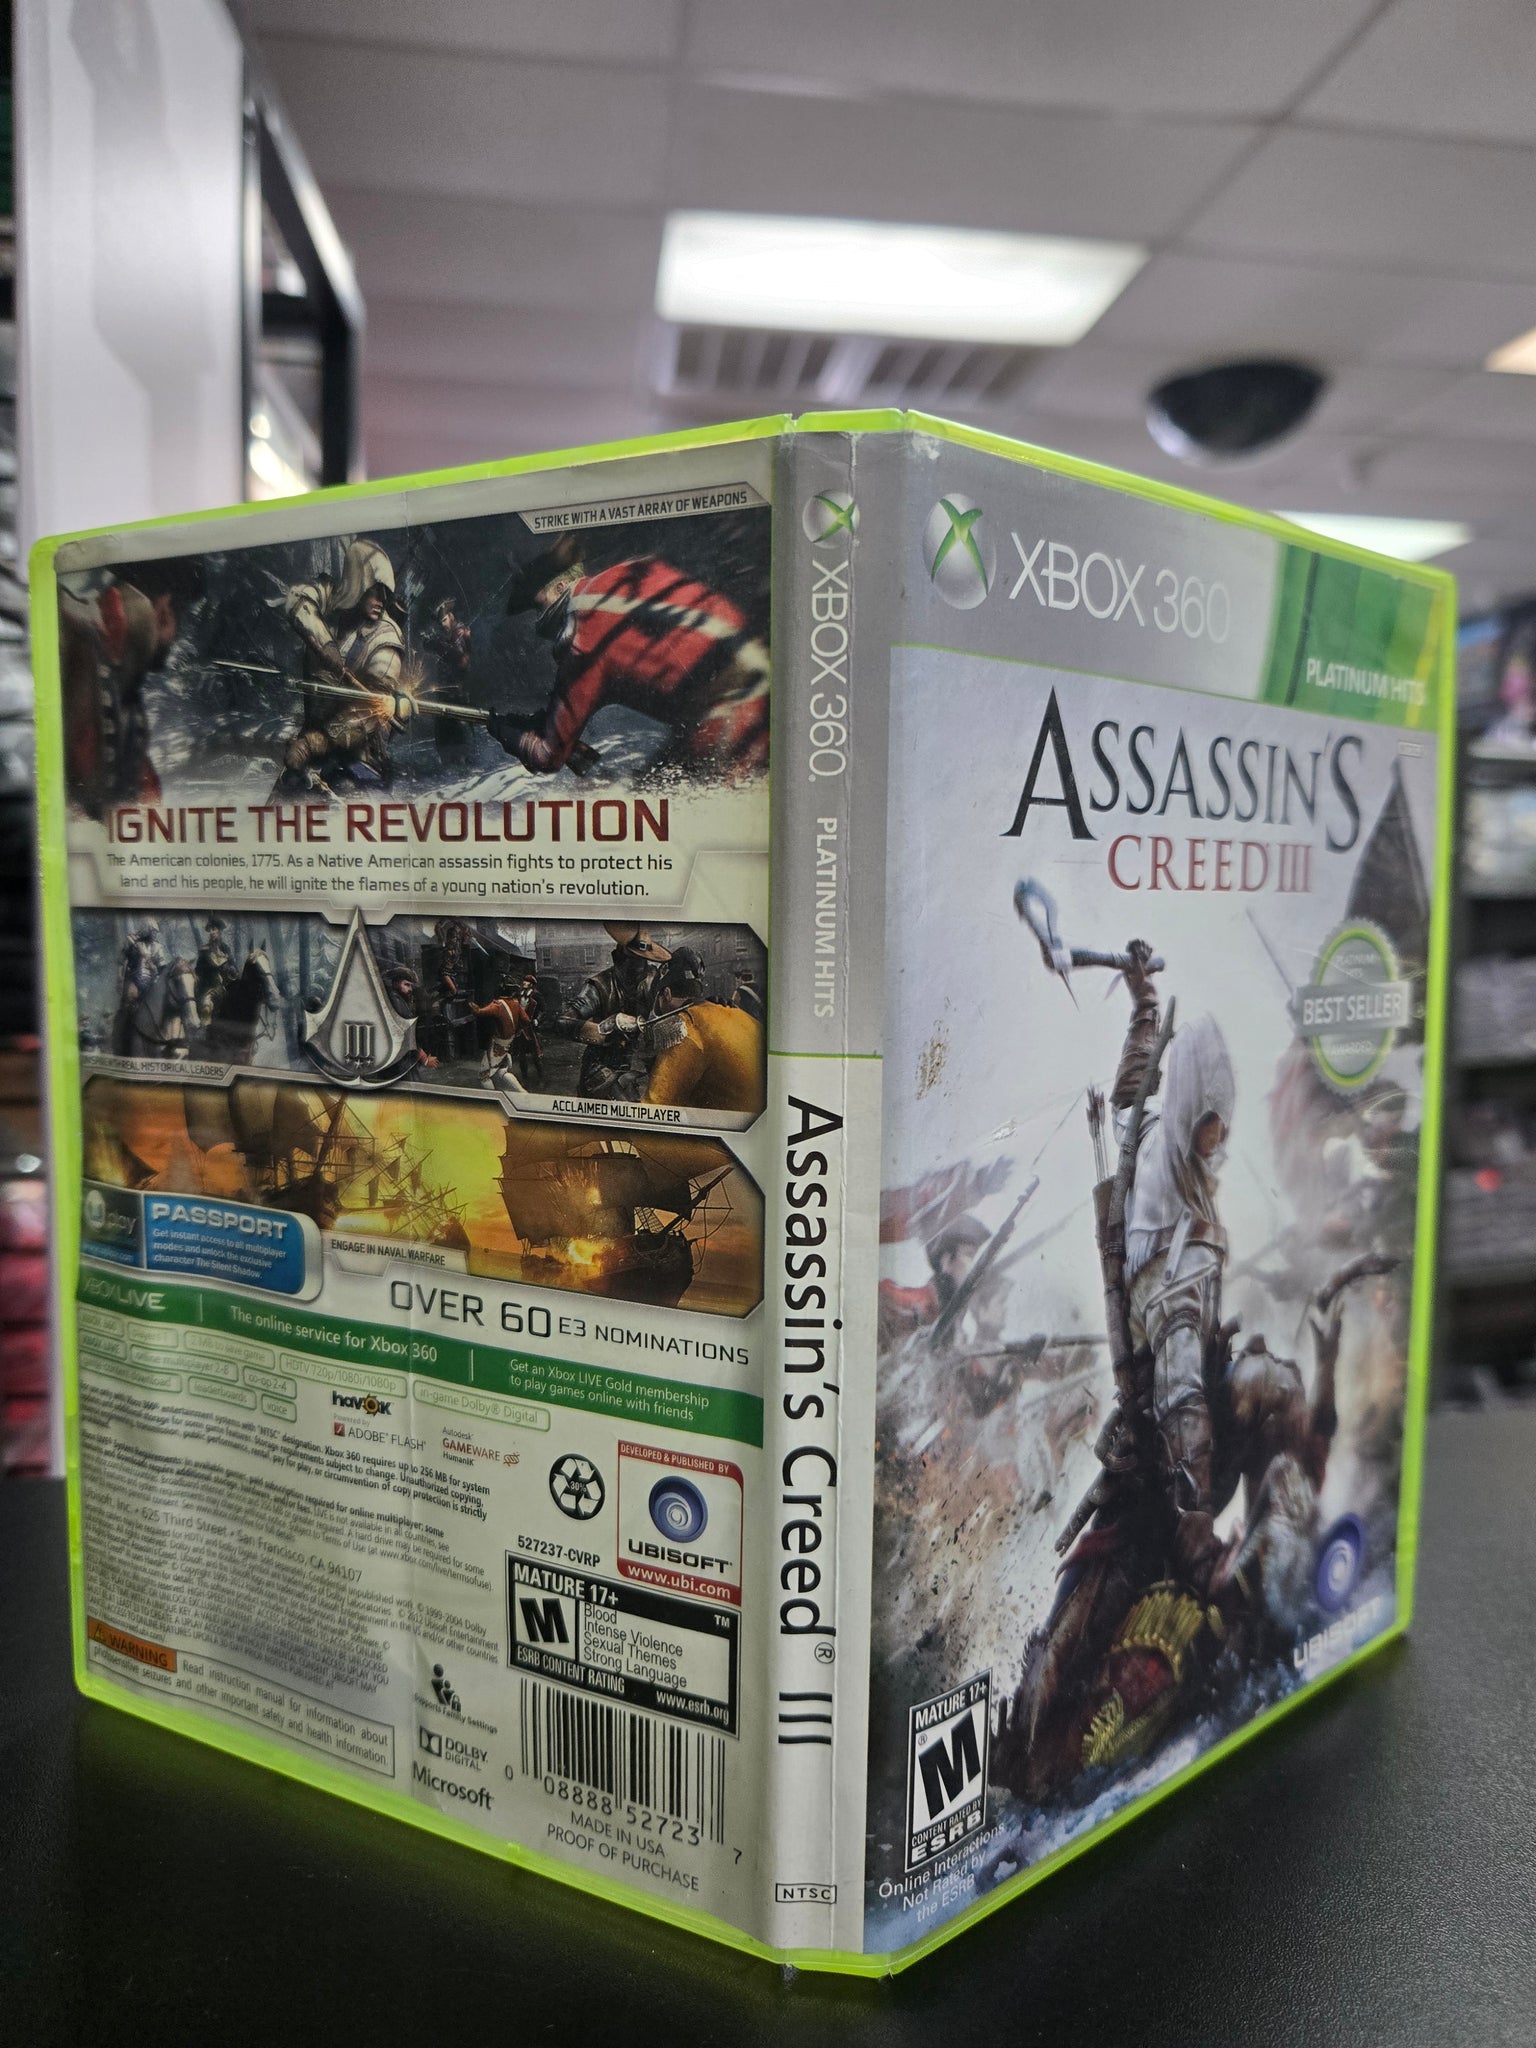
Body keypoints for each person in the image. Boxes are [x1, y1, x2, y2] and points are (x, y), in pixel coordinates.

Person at [1116, 951, 1235, 1596]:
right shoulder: (1155, 1142)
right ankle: (1194, 1533)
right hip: (1163, 1299)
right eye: (1209, 1125)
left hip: (1191, 1294)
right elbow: (1132, 1091)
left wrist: (1144, 1002)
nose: (1217, 1140)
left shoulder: (1194, 1164)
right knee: (1185, 1383)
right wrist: (1145, 1009)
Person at [490, 537, 769, 782]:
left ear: (561, 586)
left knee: (640, 802)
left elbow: (548, 756)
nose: (539, 620)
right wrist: (548, 721)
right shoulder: (632, 569)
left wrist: (506, 733)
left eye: (537, 605)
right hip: (762, 684)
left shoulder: (580, 637)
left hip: (734, 721)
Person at [60, 558, 205, 818]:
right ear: (165, 613)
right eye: (181, 620)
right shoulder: (68, 637)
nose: (175, 638)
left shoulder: (126, 702)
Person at [277, 538, 408, 794]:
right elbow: (297, 600)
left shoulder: (386, 637)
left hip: (358, 758)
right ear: (358, 583)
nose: (382, 600)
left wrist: (313, 744)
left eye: (386, 593)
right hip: (312, 747)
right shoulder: (331, 600)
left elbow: (371, 712)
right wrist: (326, 645)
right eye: (376, 590)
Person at [638, 946, 763, 1112]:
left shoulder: (683, 1027)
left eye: (659, 997)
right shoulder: (729, 1011)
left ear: (666, 993)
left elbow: (653, 1110)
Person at [559, 925, 671, 1097]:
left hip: (635, 1068)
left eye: (643, 960)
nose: (641, 966)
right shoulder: (599, 985)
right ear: (620, 957)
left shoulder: (653, 980)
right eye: (634, 959)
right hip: (600, 1069)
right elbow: (562, 1023)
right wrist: (608, 1026)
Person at [193, 917, 237, 1025]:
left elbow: (233, 966)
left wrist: (231, 968)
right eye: (210, 930)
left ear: (219, 931)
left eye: (214, 929)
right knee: (206, 1008)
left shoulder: (225, 948)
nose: (212, 932)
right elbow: (198, 970)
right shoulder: (204, 951)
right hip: (209, 987)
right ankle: (205, 1030)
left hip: (225, 987)